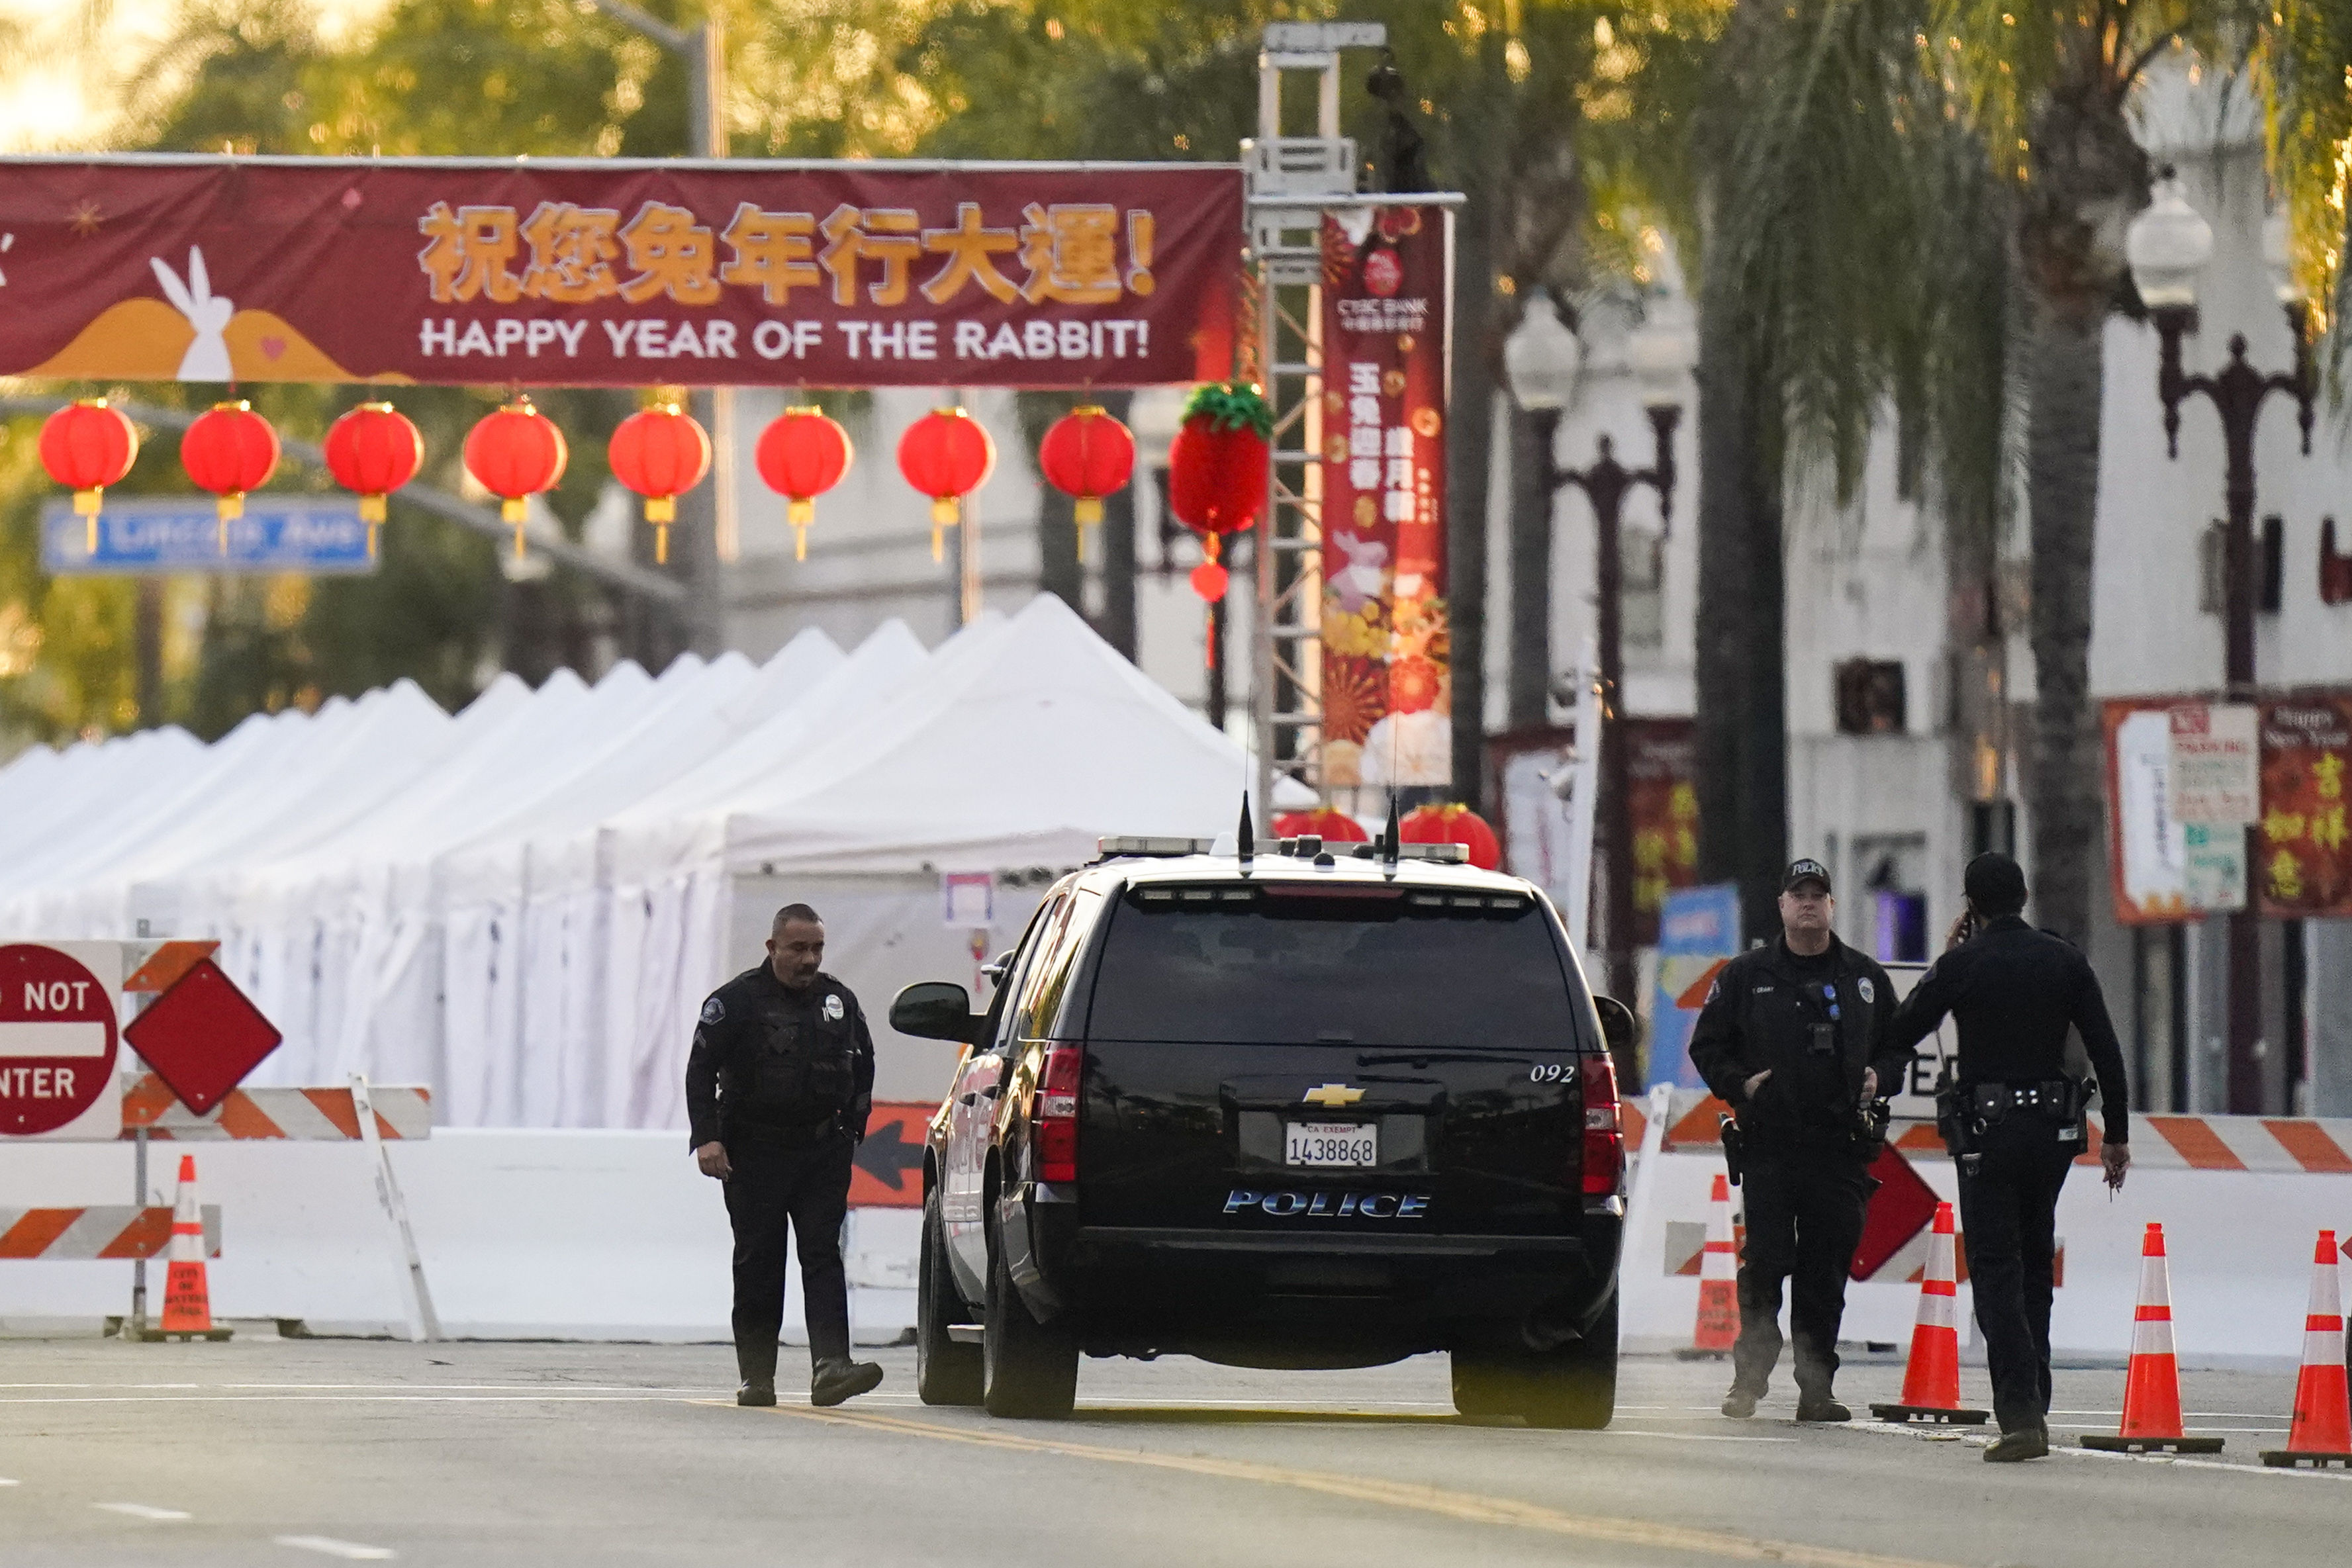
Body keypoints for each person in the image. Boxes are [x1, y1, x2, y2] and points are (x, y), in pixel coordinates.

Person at [1887, 852, 2130, 1463]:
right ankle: (2035, 1394)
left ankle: (2020, 1413)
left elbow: (1900, 1030)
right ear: (2023, 896)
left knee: (1994, 1266)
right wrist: (2117, 1136)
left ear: (1971, 903)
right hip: (2051, 1133)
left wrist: (1946, 962)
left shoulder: (1962, 964)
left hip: (1987, 1138)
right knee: (2031, 1257)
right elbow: (2105, 1049)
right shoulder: (2064, 959)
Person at [1689, 858, 1911, 1422]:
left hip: (1838, 1146)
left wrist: (1878, 1077)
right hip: (1769, 1144)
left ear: (1832, 905)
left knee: (1824, 1270)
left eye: (1818, 894)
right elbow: (1708, 1045)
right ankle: (1748, 1382)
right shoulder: (1746, 976)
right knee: (1763, 1265)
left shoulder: (1861, 978)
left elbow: (1897, 1046)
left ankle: (1816, 1388)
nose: (1808, 903)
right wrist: (1740, 1084)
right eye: (1798, 894)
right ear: (1782, 906)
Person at [686, 903, 885, 1408]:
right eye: (798, 948)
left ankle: (831, 1367)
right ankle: (758, 1376)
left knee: (822, 1253)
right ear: (772, 947)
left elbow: (864, 1066)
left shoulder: (838, 1000)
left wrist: (852, 1130)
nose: (809, 958)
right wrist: (707, 1138)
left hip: (821, 1151)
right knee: (759, 1260)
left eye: (816, 947)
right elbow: (699, 1070)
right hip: (753, 1152)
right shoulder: (735, 1002)